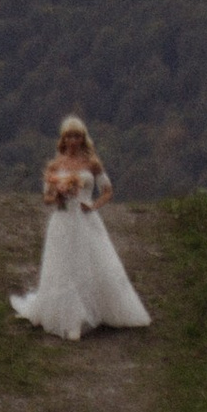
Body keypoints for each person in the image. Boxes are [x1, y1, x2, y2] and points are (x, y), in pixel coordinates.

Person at [10, 119, 152, 341]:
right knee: (64, 267)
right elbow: (46, 198)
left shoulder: (92, 164)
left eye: (77, 137)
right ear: (63, 139)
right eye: (69, 137)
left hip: (85, 219)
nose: (72, 141)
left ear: (82, 139)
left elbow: (107, 191)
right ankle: (70, 317)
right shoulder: (55, 166)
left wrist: (93, 205)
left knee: (91, 263)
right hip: (63, 219)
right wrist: (57, 195)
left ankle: (97, 310)